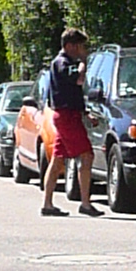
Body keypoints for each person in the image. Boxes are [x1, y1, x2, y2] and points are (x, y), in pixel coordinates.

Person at [40, 25, 96, 216]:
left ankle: (47, 204)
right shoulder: (62, 63)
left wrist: (85, 112)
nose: (83, 51)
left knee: (57, 161)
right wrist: (83, 64)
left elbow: (73, 92)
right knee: (86, 155)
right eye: (81, 46)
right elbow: (77, 80)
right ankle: (86, 204)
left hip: (68, 115)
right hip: (66, 117)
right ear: (71, 46)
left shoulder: (64, 63)